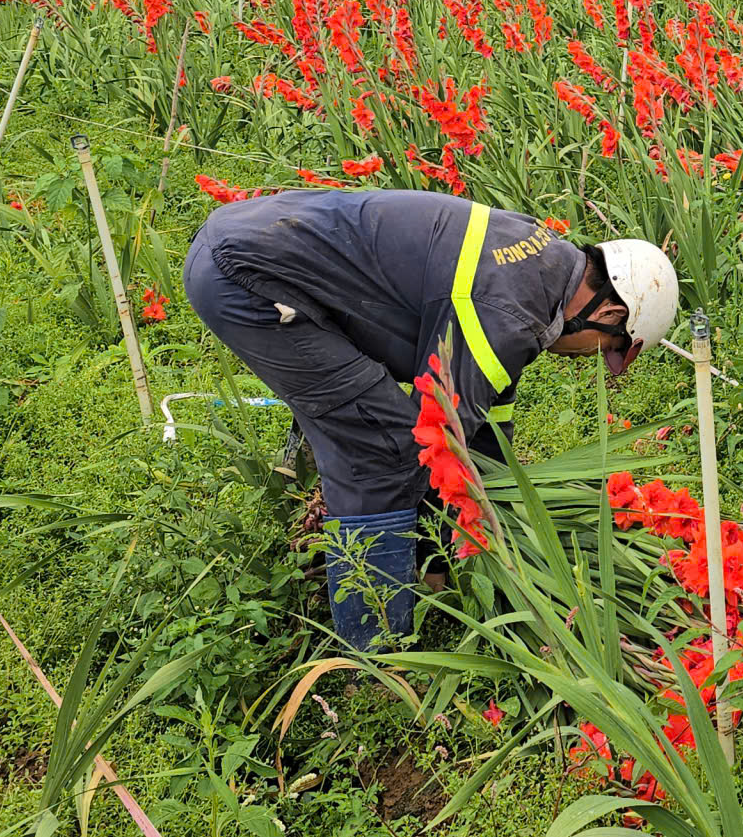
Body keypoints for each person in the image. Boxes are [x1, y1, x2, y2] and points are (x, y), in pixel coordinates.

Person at [181, 188, 677, 650]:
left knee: (372, 420)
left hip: (252, 240)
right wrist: (443, 552)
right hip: (246, 277)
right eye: (608, 350)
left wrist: (480, 505)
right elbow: (440, 438)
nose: (589, 359)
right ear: (610, 313)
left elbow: (482, 426)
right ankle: (375, 653)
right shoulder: (508, 312)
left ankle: (352, 543)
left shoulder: (540, 267)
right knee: (383, 449)